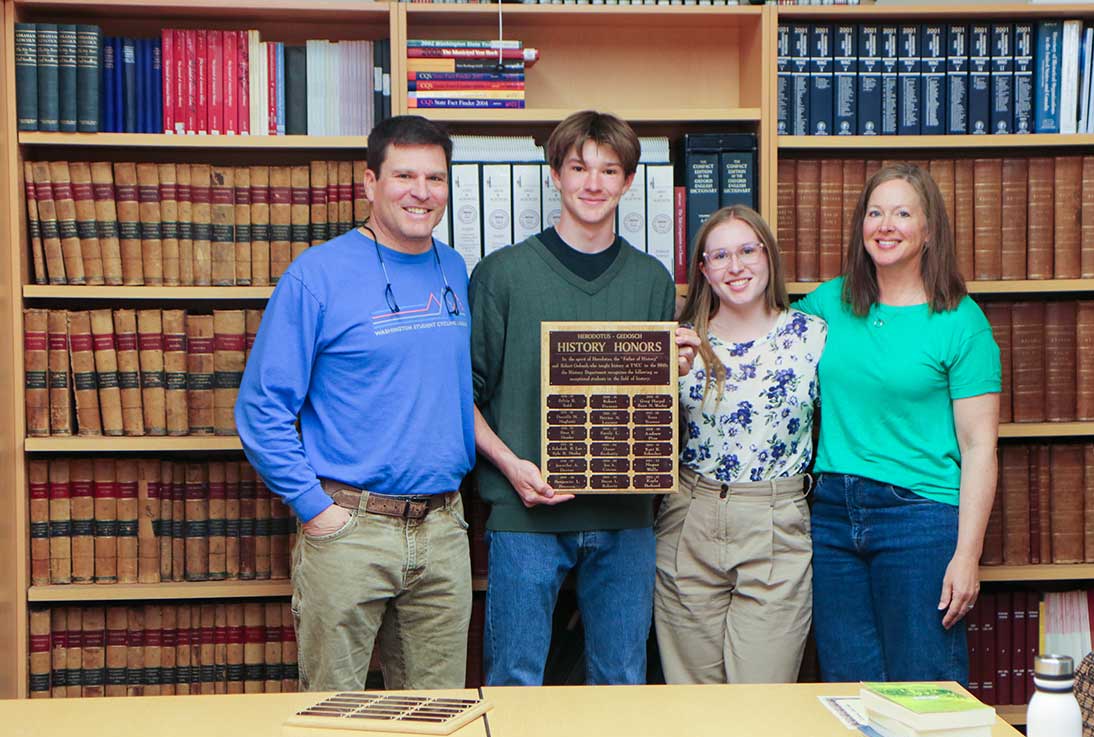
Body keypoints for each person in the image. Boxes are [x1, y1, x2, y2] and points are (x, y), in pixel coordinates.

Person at [236, 115, 474, 691]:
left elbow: (454, 393)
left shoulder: (455, 268)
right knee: (333, 719)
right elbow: (261, 409)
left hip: (443, 529)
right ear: (369, 183)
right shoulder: (316, 276)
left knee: (435, 721)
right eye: (405, 176)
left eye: (436, 179)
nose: (422, 192)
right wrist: (316, 511)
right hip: (350, 528)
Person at [469, 110, 700, 686]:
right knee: (513, 680)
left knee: (621, 681)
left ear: (628, 182)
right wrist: (510, 468)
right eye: (578, 167)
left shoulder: (651, 280)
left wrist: (672, 371)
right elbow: (462, 398)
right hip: (525, 514)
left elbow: (648, 406)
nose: (593, 183)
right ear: (555, 174)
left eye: (609, 170)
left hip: (626, 518)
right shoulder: (501, 274)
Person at [793, 162, 1000, 683]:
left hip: (919, 520)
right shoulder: (829, 304)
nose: (885, 225)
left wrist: (967, 557)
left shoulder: (961, 322)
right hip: (832, 516)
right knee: (848, 688)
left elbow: (980, 447)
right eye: (875, 212)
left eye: (903, 213)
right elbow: (753, 331)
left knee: (924, 686)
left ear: (929, 231)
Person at [655, 205, 825, 684]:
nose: (736, 267)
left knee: (761, 700)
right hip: (690, 513)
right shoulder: (680, 340)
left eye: (748, 250)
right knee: (694, 701)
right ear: (703, 271)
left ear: (769, 257)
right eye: (721, 256)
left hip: (775, 518)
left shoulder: (811, 335)